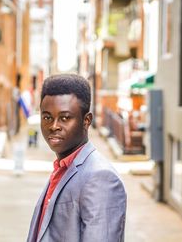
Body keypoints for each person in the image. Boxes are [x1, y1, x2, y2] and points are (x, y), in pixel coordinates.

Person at [27, 74, 127, 242]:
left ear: (86, 121)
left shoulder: (101, 177)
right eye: (47, 117)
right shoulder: (62, 168)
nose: (54, 126)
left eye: (65, 118)